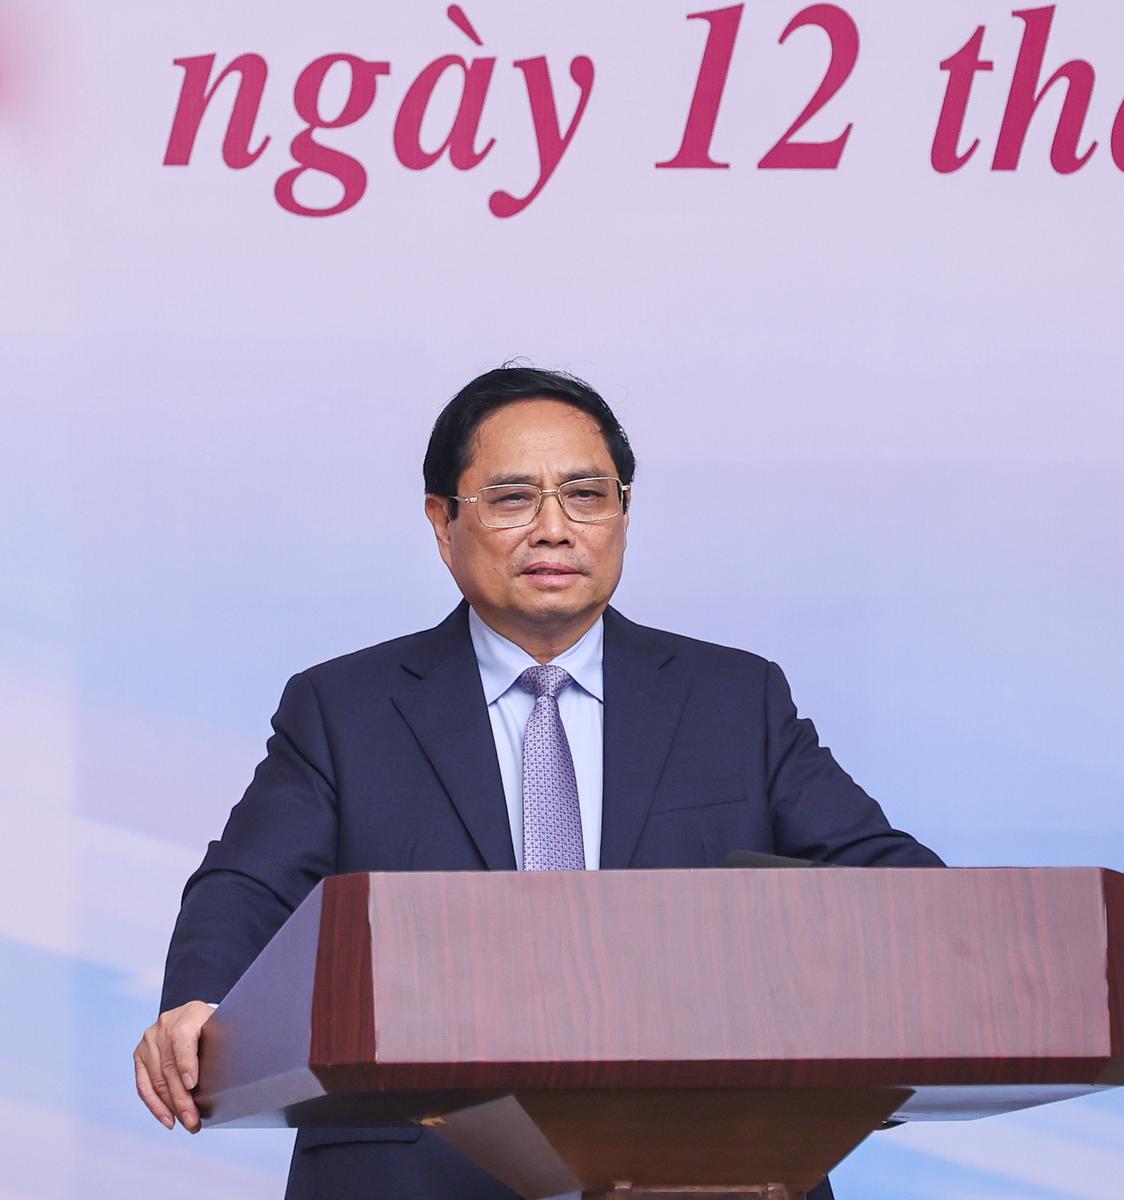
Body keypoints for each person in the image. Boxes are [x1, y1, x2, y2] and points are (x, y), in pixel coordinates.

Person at [133, 365, 942, 1200]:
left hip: (703, 1163)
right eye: (513, 499)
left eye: (586, 496)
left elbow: (892, 886)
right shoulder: (344, 709)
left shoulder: (736, 700)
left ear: (624, 513)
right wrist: (200, 1001)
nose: (554, 530)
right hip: (419, 1171)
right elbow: (247, 885)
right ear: (442, 521)